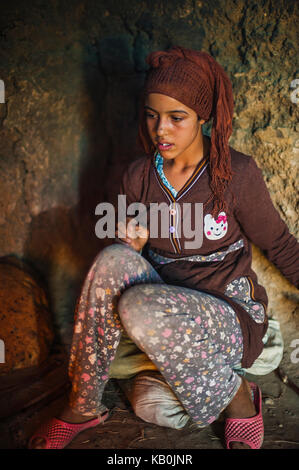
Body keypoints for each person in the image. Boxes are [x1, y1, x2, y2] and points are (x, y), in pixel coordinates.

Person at [29, 46, 299, 450]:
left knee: (141, 315)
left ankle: (239, 396)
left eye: (177, 118)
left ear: (203, 118)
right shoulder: (138, 175)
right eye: (152, 115)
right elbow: (125, 260)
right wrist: (129, 242)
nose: (161, 130)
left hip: (225, 314)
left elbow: (279, 243)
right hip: (161, 312)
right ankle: (83, 404)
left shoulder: (235, 173)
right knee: (112, 259)